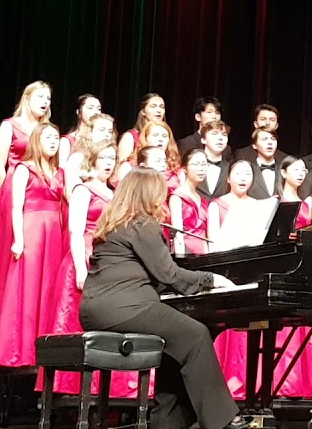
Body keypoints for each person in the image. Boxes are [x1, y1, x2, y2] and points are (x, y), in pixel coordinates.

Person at [79, 168, 248, 429]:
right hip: (126, 307)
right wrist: (210, 279)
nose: (162, 200)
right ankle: (222, 421)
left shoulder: (113, 224)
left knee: (175, 342)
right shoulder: (142, 224)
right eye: (159, 193)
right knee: (196, 334)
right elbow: (169, 274)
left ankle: (167, 422)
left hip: (95, 309)